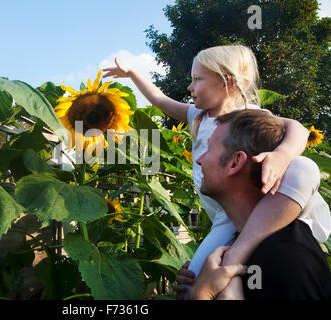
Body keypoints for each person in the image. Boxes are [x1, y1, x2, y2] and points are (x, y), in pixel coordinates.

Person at [102, 45, 330, 299]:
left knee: (302, 167)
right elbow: (160, 100)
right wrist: (133, 73)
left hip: (256, 210)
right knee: (192, 288)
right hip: (223, 220)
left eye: (197, 79)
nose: (190, 87)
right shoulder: (198, 116)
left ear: (227, 83)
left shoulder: (248, 116)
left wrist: (282, 155)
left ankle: (238, 253)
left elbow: (297, 128)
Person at [184, 109, 331, 299]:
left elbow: (304, 168)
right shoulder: (238, 243)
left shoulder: (283, 256)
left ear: (235, 162)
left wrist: (201, 293)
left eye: (209, 148)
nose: (199, 159)